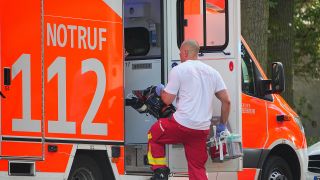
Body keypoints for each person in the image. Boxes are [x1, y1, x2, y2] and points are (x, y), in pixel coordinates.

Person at [147, 39, 231, 180]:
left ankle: (160, 171)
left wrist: (160, 90)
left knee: (154, 134)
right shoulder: (213, 72)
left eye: (180, 53)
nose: (180, 56)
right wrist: (222, 125)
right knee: (197, 168)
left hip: (181, 125)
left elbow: (167, 100)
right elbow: (226, 101)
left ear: (185, 52)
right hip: (201, 129)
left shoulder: (179, 70)